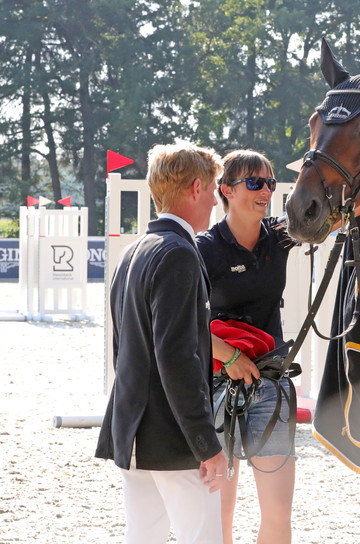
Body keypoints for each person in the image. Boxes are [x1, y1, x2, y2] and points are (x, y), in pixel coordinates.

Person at [95, 143, 228, 544]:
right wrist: (206, 442)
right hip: (171, 437)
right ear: (195, 188)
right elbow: (178, 358)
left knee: (143, 537)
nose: (216, 201)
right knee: (201, 537)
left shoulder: (133, 250)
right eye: (214, 190)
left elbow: (123, 348)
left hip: (130, 428)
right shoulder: (179, 254)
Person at [196, 149, 298, 544]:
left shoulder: (280, 234)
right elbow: (181, 325)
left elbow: (332, 213)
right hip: (218, 384)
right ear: (226, 190)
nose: (266, 190)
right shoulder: (205, 248)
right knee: (220, 514)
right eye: (254, 182)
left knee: (278, 514)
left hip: (271, 385)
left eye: (270, 182)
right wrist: (231, 356)